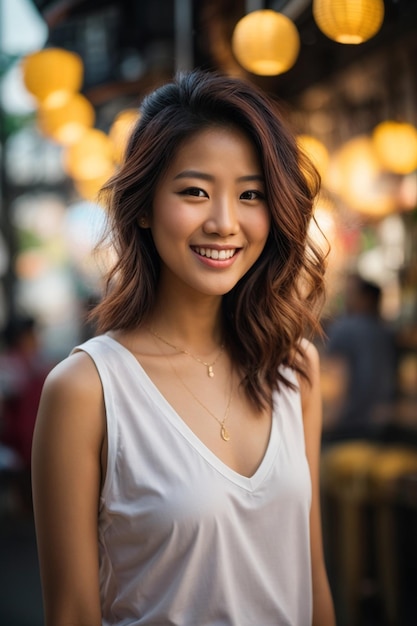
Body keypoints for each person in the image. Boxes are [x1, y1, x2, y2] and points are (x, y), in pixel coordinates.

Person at [32, 70, 335, 626]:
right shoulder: (86, 391)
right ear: (144, 206)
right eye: (195, 191)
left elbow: (311, 581)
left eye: (251, 195)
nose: (224, 222)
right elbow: (72, 613)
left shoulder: (295, 369)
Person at [321, 273, 397, 441]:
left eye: (351, 293)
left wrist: (325, 424)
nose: (346, 298)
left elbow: (335, 386)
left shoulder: (344, 329)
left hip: (346, 427)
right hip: (380, 424)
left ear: (367, 298)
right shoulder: (386, 332)